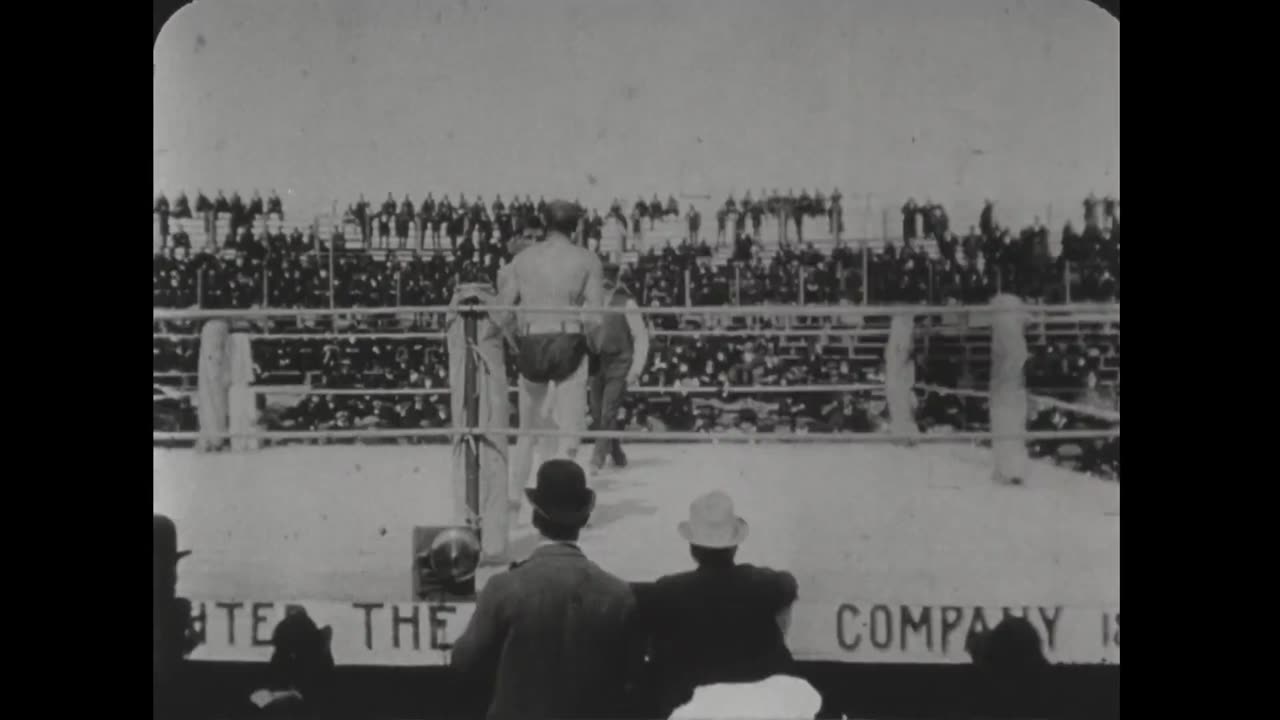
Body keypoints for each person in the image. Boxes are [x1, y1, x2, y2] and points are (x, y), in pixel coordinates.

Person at [451, 459, 640, 720]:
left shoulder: (503, 587)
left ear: (535, 518)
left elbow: (464, 661)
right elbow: (629, 676)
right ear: (584, 518)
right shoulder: (618, 593)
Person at [636, 491, 799, 718]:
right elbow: (788, 583)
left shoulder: (669, 590)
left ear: (693, 548)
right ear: (734, 546)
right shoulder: (764, 583)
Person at [494, 202, 604, 510]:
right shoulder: (587, 259)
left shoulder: (523, 259)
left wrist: (517, 344)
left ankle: (514, 502)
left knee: (527, 432)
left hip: (532, 337)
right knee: (569, 433)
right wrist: (590, 349)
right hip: (568, 335)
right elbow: (595, 317)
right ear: (576, 226)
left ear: (544, 224)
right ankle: (564, 504)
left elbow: (501, 314)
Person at [588, 263, 650, 472]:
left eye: (609, 277)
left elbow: (641, 337)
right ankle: (615, 450)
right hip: (597, 362)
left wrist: (636, 369)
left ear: (616, 279)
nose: (605, 281)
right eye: (602, 276)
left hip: (619, 362)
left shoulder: (627, 302)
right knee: (597, 412)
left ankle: (597, 458)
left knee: (608, 410)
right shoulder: (590, 303)